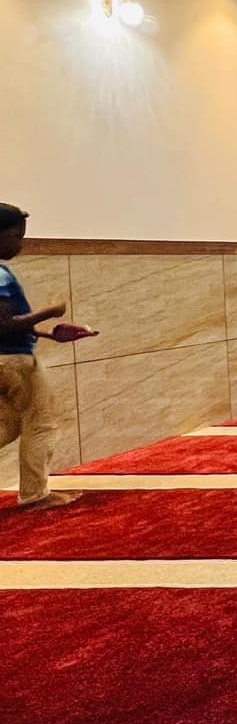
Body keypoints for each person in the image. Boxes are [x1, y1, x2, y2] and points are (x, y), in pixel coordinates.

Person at [0, 203, 98, 509]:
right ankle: (35, 495)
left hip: (6, 359)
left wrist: (49, 333)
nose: (20, 243)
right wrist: (51, 310)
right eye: (16, 236)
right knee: (41, 423)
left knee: (8, 426)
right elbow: (3, 325)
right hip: (14, 362)